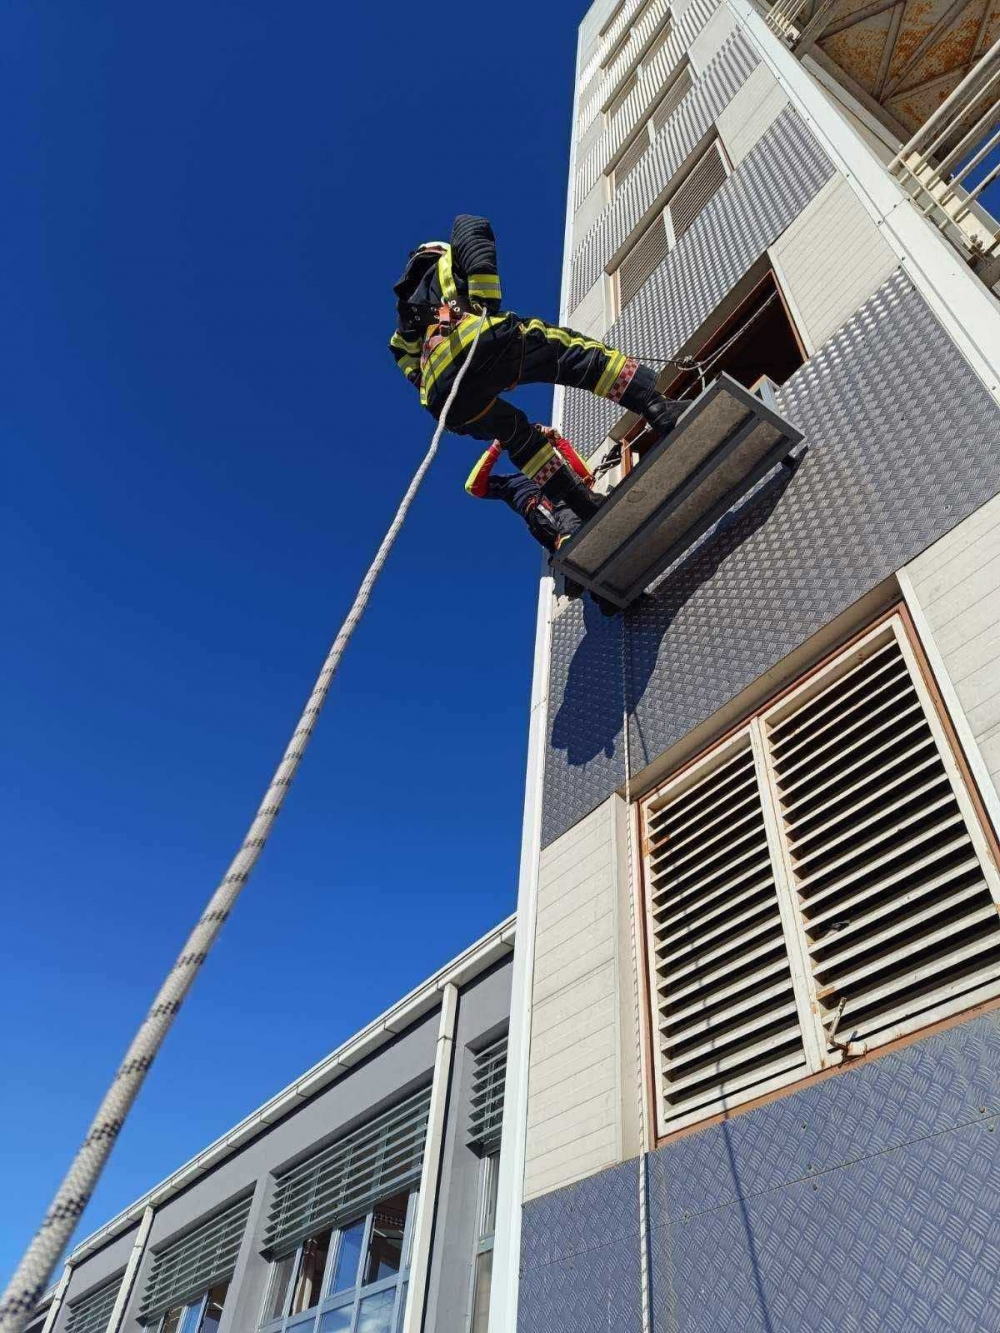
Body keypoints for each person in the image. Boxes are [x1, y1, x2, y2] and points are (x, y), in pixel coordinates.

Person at [390, 214, 686, 524]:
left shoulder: (406, 315)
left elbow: (403, 357)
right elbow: (470, 226)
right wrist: (484, 299)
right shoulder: (445, 260)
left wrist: (430, 381)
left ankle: (579, 502)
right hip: (478, 339)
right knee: (571, 353)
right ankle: (657, 407)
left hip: (445, 401)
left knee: (518, 436)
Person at [464, 431, 591, 554]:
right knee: (562, 497)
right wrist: (496, 447)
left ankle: (569, 541)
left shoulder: (554, 468)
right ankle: (569, 538)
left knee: (571, 491)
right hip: (542, 508)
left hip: (558, 509)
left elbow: (587, 478)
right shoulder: (511, 482)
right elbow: (472, 486)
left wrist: (558, 440)